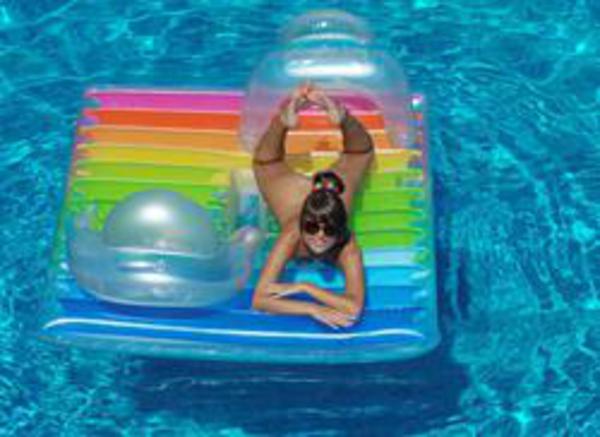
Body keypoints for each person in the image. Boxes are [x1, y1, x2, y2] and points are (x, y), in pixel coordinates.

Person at [251, 83, 374, 329]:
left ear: (340, 228)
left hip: (332, 193)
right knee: (266, 164)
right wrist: (312, 308)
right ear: (302, 223)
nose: (319, 236)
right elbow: (259, 300)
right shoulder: (292, 234)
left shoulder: (346, 245)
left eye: (329, 229)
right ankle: (283, 121)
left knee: (361, 155)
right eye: (310, 227)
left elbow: (354, 308)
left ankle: (343, 117)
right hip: (290, 194)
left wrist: (306, 287)